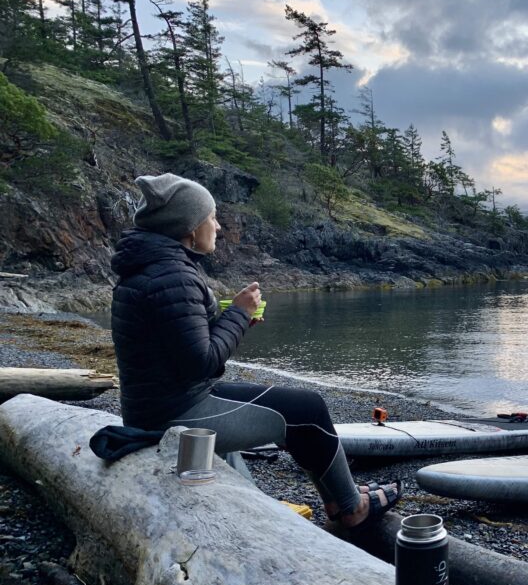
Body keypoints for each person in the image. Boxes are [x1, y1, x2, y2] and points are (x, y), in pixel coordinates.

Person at [109, 172, 400, 529]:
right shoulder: (172, 276)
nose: (216, 226)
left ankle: (341, 501)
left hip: (165, 403)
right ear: (189, 229)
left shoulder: (155, 268)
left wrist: (237, 321)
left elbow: (180, 350)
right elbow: (203, 364)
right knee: (308, 410)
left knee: (300, 407)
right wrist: (239, 313)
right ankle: (352, 509)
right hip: (174, 416)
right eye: (210, 218)